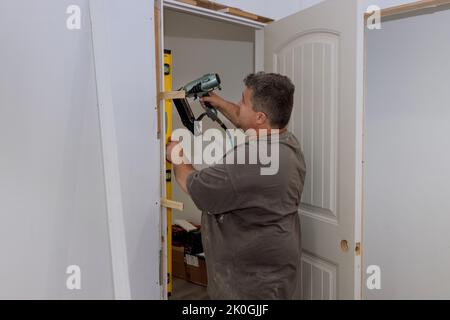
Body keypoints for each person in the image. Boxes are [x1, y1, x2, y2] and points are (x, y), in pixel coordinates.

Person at [166, 72, 306, 300]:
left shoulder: (253, 158)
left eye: (243, 101)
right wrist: (219, 103)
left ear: (260, 117)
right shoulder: (285, 143)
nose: (238, 105)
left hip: (249, 284)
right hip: (273, 270)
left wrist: (177, 156)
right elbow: (246, 121)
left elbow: (196, 186)